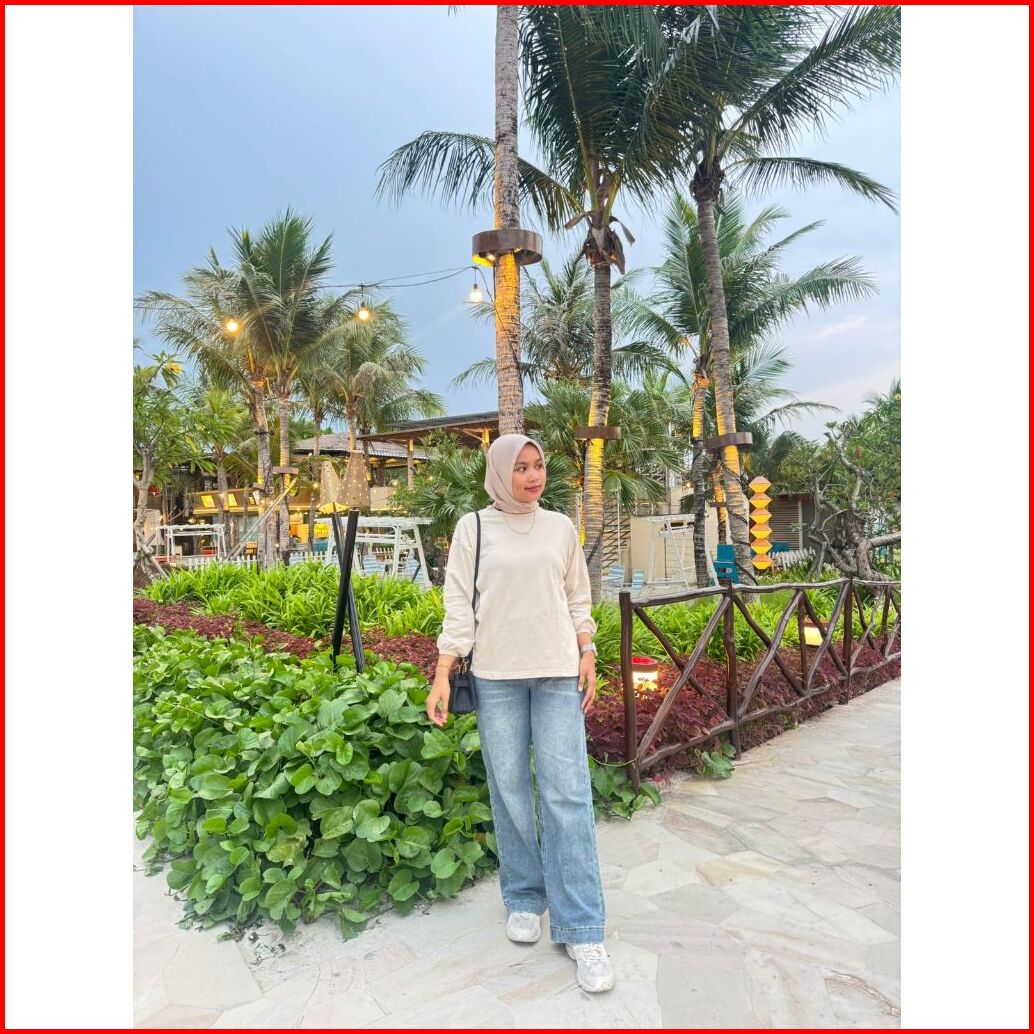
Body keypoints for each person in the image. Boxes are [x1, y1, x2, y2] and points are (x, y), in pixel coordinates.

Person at [426, 433, 615, 994]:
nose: (533, 477)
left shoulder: (559, 528)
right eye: (521, 468)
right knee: (509, 789)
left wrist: (587, 650)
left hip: (557, 672)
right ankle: (525, 897)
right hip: (496, 677)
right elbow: (458, 604)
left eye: (539, 466)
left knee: (567, 794)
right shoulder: (473, 528)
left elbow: (578, 597)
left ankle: (583, 928)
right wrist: (443, 671)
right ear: (499, 473)